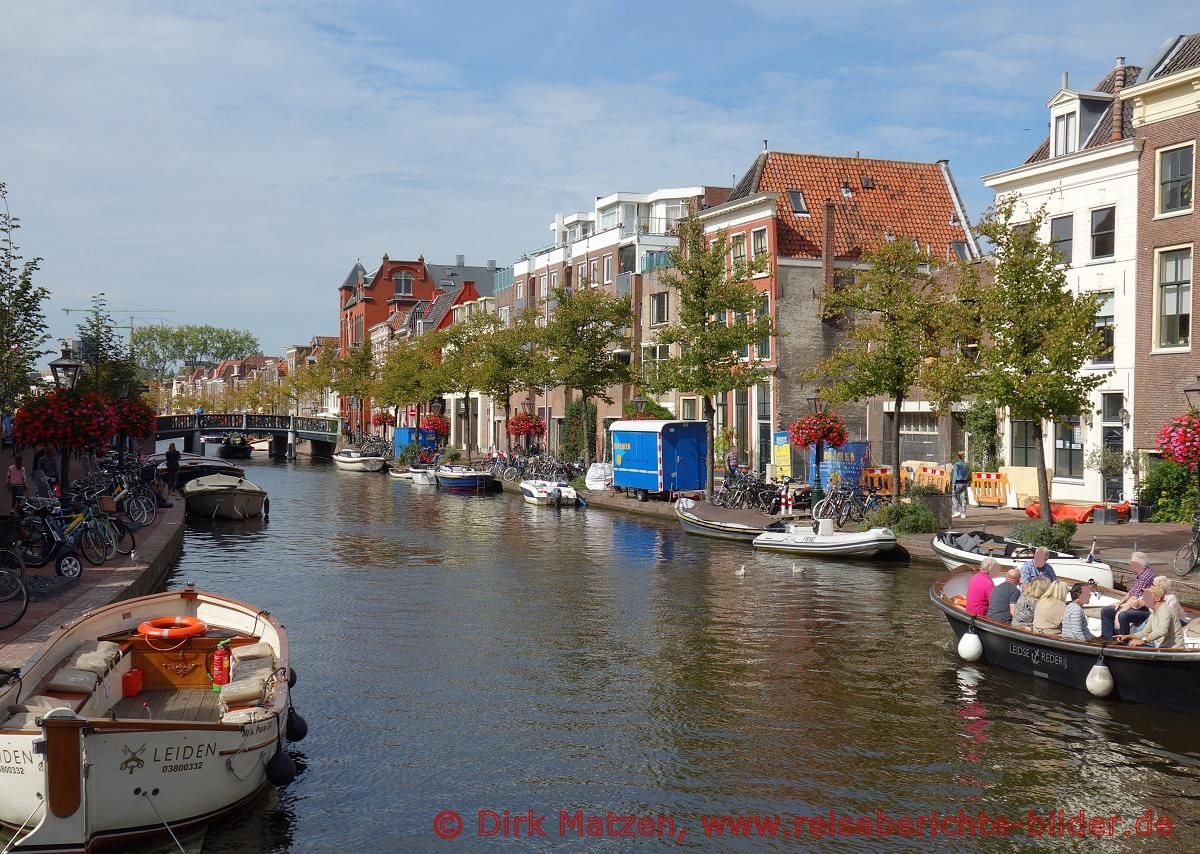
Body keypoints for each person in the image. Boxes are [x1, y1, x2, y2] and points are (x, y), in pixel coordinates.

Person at [1101, 551, 1155, 639]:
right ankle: (1108, 638)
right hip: (1137, 605)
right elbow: (1131, 592)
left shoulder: (1145, 576)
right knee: (1106, 610)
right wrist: (1119, 602)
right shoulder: (1142, 573)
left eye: (1131, 563)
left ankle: (1123, 641)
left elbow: (1135, 598)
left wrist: (1119, 613)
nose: (1129, 564)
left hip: (1144, 609)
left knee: (1123, 615)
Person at [1120, 585, 1183, 649]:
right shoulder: (1153, 613)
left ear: (1157, 598)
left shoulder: (1164, 610)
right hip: (1161, 648)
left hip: (1172, 649)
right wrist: (1127, 636)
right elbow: (1145, 632)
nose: (1144, 599)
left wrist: (1143, 640)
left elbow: (1162, 630)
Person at [952, 452, 970, 519]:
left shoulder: (956, 464)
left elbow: (955, 475)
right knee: (963, 497)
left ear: (957, 457)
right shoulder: (965, 465)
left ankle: (956, 510)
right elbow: (967, 474)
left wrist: (953, 483)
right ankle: (963, 513)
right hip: (964, 482)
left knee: (953, 495)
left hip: (958, 482)